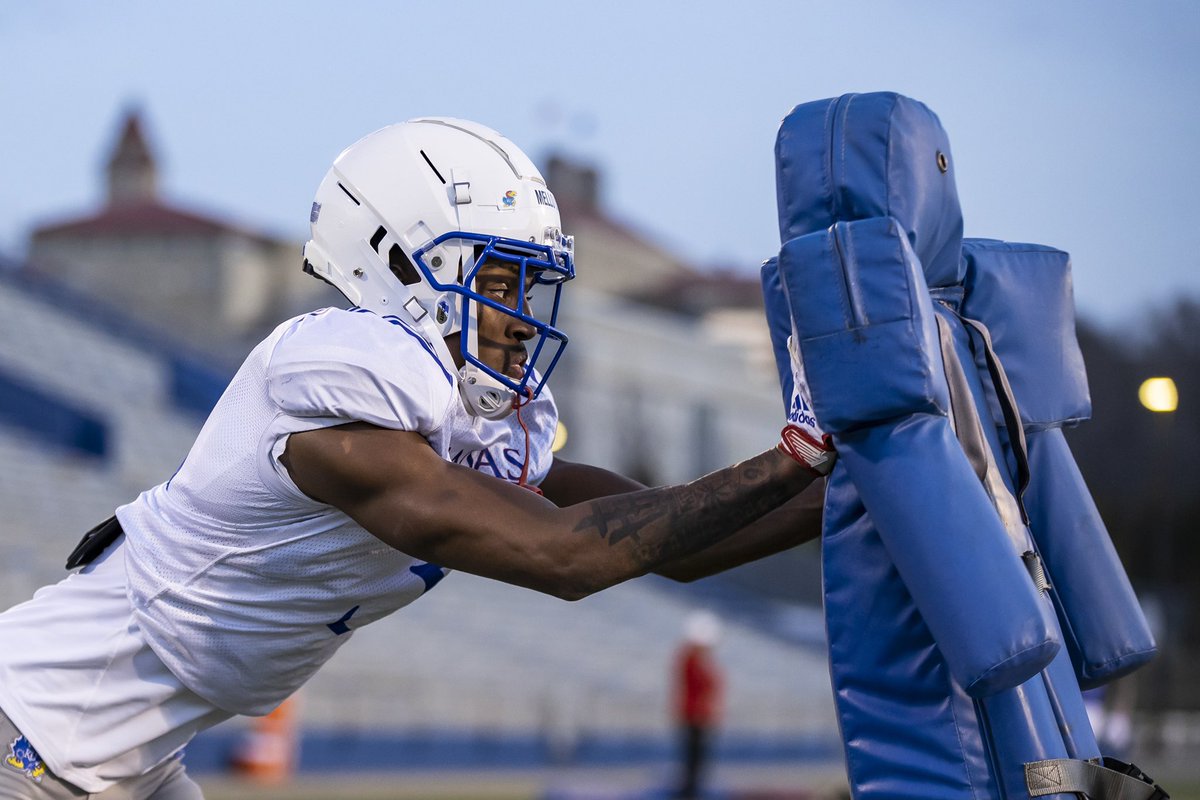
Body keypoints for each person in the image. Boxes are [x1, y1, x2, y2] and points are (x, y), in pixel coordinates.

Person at [0, 117, 831, 799]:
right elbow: (566, 555)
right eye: (498, 283)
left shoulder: (459, 423)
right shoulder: (335, 396)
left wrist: (834, 489)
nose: (516, 317)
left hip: (127, 758)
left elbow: (668, 541)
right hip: (33, 730)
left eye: (526, 289)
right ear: (400, 264)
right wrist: (789, 456)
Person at [673, 611, 725, 800]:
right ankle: (689, 792)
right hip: (694, 716)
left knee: (697, 760)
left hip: (698, 715)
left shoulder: (695, 660)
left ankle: (692, 790)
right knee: (693, 759)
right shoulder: (691, 659)